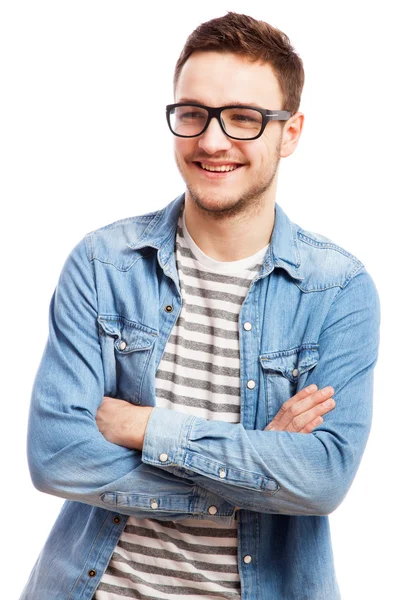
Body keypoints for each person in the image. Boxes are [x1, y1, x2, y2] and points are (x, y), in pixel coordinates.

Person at [21, 11, 380, 600]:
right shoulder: (102, 264)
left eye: (244, 118)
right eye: (193, 114)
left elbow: (321, 480)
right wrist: (258, 468)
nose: (212, 141)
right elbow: (57, 456)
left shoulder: (338, 292)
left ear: (290, 133)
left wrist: (144, 428)